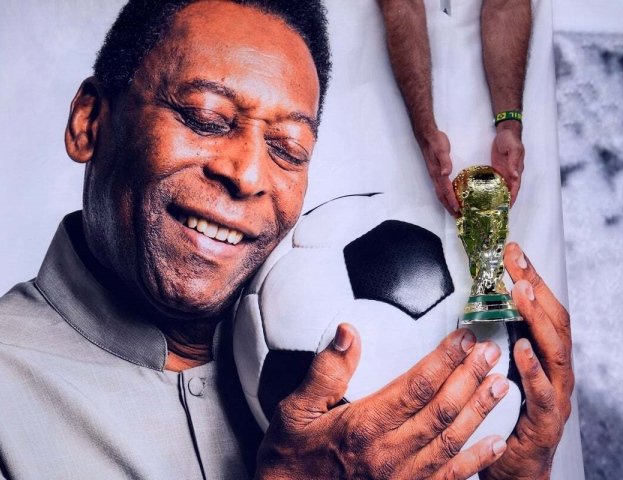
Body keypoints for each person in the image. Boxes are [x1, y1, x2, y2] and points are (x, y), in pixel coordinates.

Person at [0, 1, 573, 479]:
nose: (248, 174)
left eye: (287, 149)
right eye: (205, 118)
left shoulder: (355, 368)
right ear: (90, 122)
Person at [379, 0, 530, 216]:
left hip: (500, 77)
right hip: (393, 73)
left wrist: (510, 123)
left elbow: (507, 5)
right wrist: (425, 130)